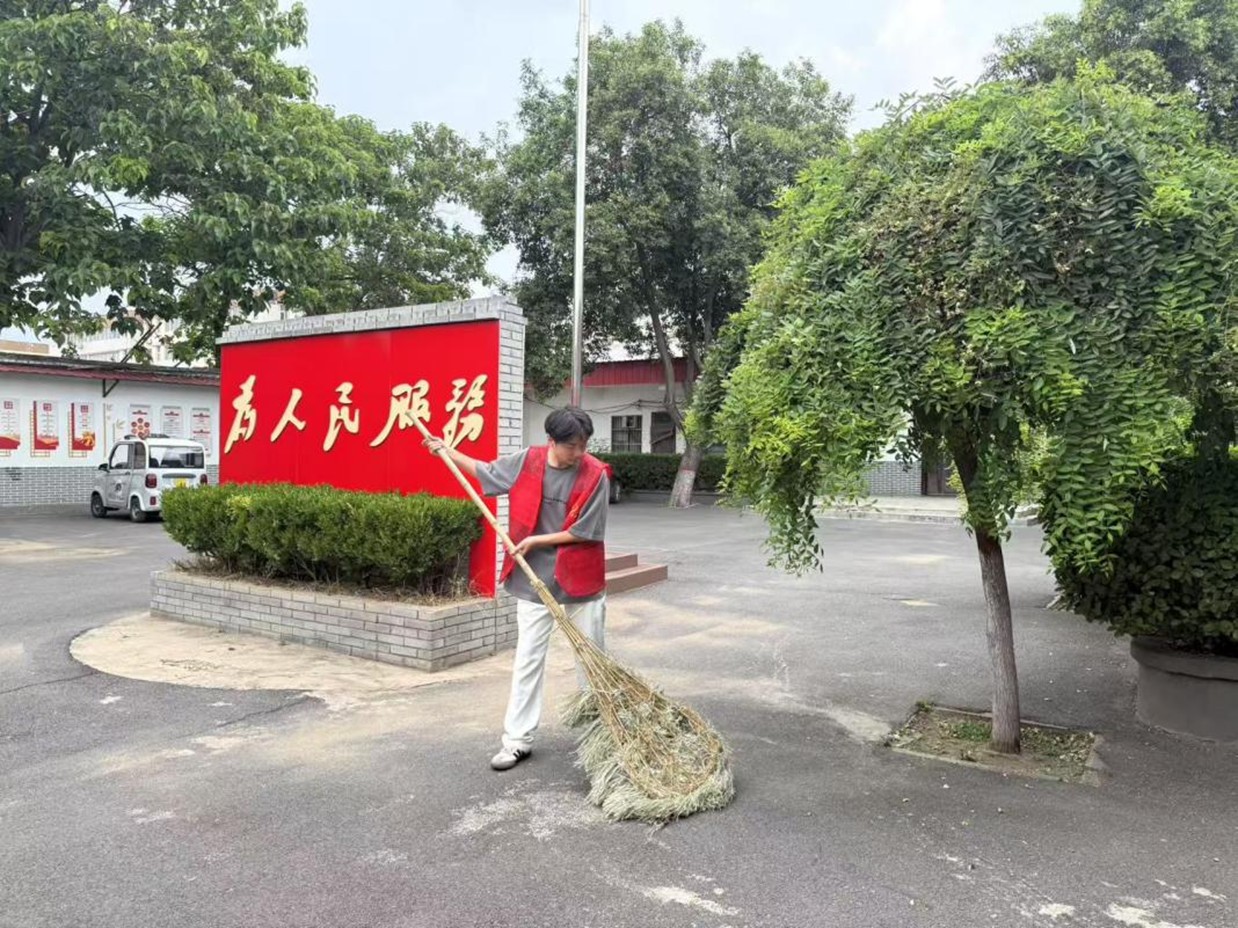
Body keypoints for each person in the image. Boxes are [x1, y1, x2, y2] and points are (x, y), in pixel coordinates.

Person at [422, 405, 609, 771]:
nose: (579, 453)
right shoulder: (528, 461)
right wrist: (447, 450)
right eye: (571, 445)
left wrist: (537, 540)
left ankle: (602, 737)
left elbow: (587, 531)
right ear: (551, 441)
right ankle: (517, 741)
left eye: (584, 444)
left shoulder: (596, 474)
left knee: (592, 660)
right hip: (532, 577)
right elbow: (487, 472)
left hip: (580, 578)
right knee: (527, 659)